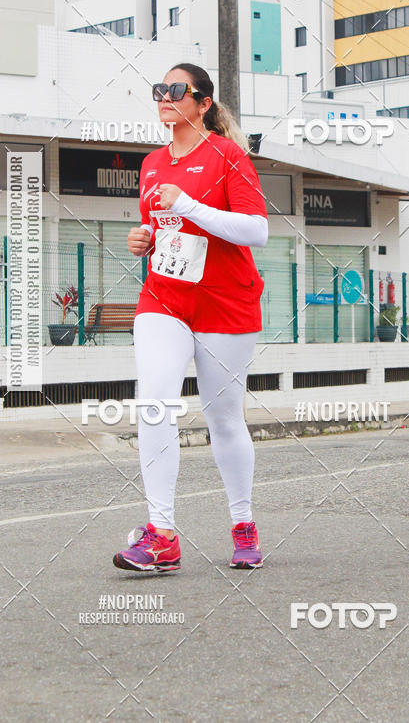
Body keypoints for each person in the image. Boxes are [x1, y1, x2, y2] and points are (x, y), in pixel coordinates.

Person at [113, 62, 268, 574]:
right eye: (159, 89)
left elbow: (255, 231)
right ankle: (161, 535)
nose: (164, 96)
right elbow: (163, 230)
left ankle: (242, 523)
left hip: (225, 303)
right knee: (154, 401)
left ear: (202, 104)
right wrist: (144, 240)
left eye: (176, 89)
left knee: (224, 419)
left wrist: (193, 206)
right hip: (165, 299)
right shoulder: (153, 163)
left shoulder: (228, 155)